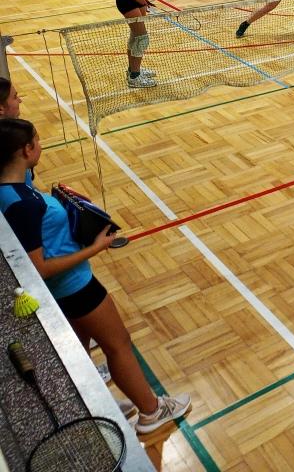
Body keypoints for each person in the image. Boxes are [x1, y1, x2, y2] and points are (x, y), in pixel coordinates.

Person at [0, 118, 192, 432]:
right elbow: (39, 267)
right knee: (118, 344)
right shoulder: (21, 204)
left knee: (79, 349)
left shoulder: (14, 188)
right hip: (74, 287)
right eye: (38, 140)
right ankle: (152, 412)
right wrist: (95, 248)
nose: (41, 145)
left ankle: (96, 407)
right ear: (26, 150)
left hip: (64, 291)